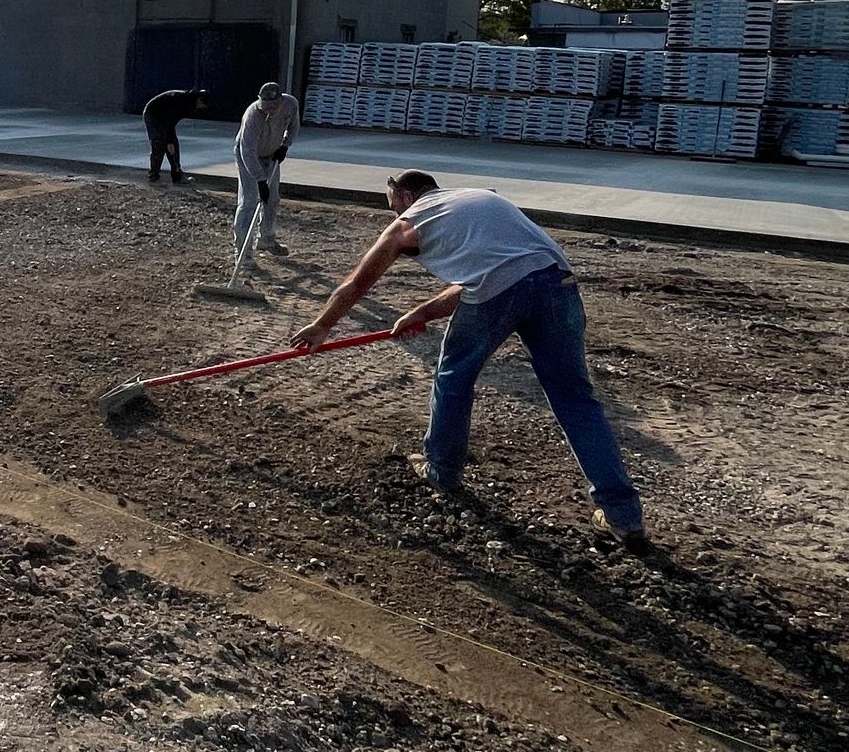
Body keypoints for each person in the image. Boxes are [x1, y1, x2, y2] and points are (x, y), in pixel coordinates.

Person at [290, 170, 646, 543]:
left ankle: (441, 469)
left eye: (390, 201)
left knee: (453, 377)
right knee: (575, 401)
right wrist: (424, 311)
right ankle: (623, 515)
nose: (390, 211)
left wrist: (322, 325)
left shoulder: (408, 222)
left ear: (406, 194)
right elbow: (504, 271)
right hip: (558, 285)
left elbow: (358, 282)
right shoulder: (475, 200)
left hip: (504, 289)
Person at [234, 77, 300, 265]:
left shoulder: (291, 104)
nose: (269, 110)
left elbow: (294, 127)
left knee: (272, 199)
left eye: (273, 106)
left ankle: (266, 239)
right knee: (248, 202)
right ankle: (243, 255)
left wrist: (285, 146)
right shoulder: (253, 116)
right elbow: (247, 152)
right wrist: (260, 181)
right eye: (266, 106)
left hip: (271, 155)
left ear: (280, 101)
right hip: (248, 157)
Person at [141, 84, 209, 184]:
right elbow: (168, 120)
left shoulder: (188, 103)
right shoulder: (182, 102)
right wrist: (169, 141)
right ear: (199, 99)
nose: (201, 107)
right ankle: (153, 176)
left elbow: (171, 122)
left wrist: (171, 141)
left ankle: (177, 175)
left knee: (174, 146)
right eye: (202, 104)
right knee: (159, 143)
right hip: (153, 114)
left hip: (164, 118)